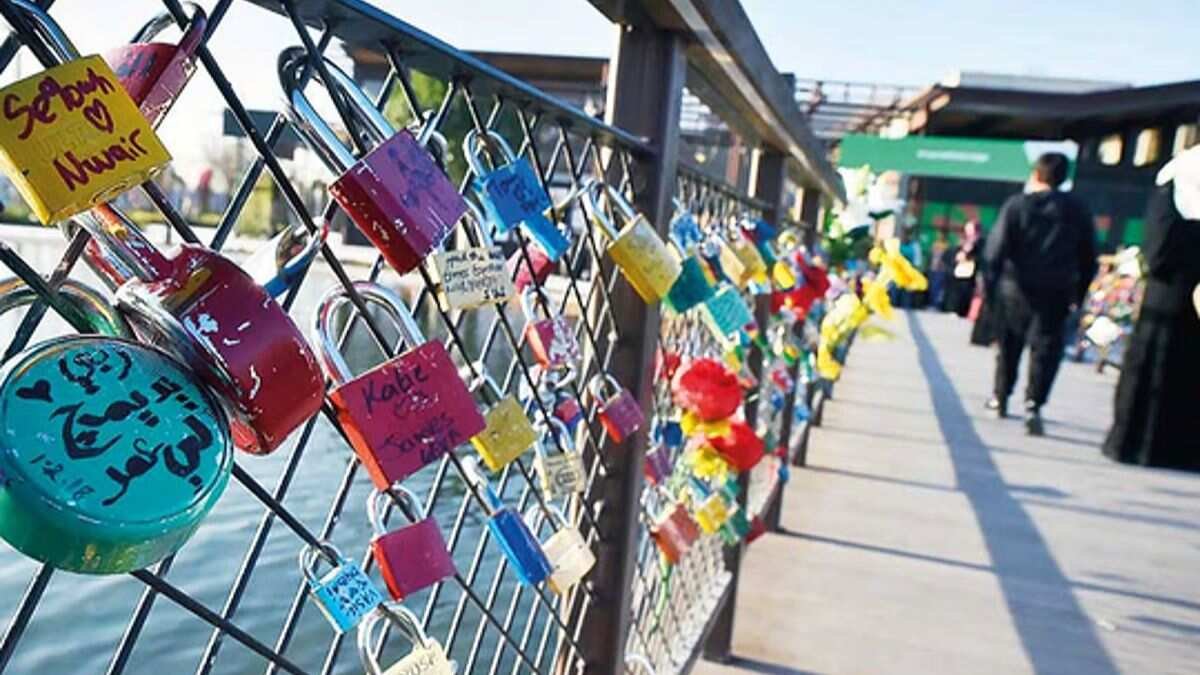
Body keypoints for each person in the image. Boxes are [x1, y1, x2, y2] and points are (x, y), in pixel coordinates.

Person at [982, 152, 1098, 435]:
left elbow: (994, 251)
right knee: (1046, 349)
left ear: (1036, 174)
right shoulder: (1078, 210)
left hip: (1014, 288)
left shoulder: (1016, 206)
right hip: (1056, 291)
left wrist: (990, 289)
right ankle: (1034, 404)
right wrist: (1078, 295)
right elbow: (1089, 258)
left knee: (1008, 346)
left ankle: (1001, 397)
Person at [1103, 146, 1200, 470]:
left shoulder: (1173, 182)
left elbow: (1156, 252)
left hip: (1165, 295)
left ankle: (1135, 446)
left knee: (1149, 376)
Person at [947, 220, 981, 316]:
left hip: (971, 273)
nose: (968, 232)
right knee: (957, 291)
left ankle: (964, 311)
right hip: (961, 271)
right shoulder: (964, 242)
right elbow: (957, 254)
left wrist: (968, 252)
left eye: (970, 229)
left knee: (967, 292)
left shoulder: (979, 242)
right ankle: (955, 310)